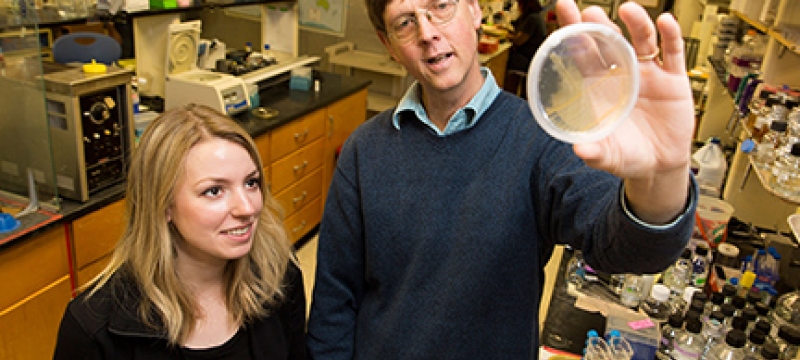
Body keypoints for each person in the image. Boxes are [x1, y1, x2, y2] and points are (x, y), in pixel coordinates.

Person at [306, 0, 699, 357]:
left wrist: (662, 174)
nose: (427, 33)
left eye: (441, 6)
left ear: (475, 10)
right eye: (405, 23)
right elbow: (334, 300)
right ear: (388, 44)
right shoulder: (365, 150)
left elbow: (628, 248)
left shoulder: (543, 140)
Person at [53, 104, 306, 360]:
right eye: (214, 191)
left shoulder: (278, 279)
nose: (248, 207)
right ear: (163, 205)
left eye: (251, 183)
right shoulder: (93, 328)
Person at [501, 0, 547, 98]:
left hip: (528, 58)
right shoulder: (530, 16)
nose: (518, 7)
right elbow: (516, 26)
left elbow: (519, 40)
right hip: (530, 56)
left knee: (509, 62)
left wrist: (506, 36)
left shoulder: (533, 18)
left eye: (519, 4)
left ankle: (508, 96)